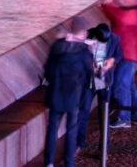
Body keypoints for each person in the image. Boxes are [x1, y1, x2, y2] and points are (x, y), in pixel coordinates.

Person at [43, 15, 94, 167]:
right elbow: (89, 74)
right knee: (71, 130)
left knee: (52, 129)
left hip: (56, 93)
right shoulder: (84, 51)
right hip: (74, 96)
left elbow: (48, 70)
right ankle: (69, 162)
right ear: (84, 32)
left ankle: (49, 162)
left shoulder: (57, 46)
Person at [101, 0, 137, 128]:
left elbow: (119, 18)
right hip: (129, 54)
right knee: (129, 85)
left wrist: (105, 4)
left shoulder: (136, 13)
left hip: (128, 55)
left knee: (120, 86)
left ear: (136, 0)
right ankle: (135, 115)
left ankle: (124, 118)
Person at [75, 23, 122, 155]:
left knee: (104, 114)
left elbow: (119, 55)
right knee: (83, 111)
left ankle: (103, 148)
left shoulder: (115, 39)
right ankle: (79, 143)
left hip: (104, 79)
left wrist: (112, 60)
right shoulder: (87, 36)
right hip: (90, 79)